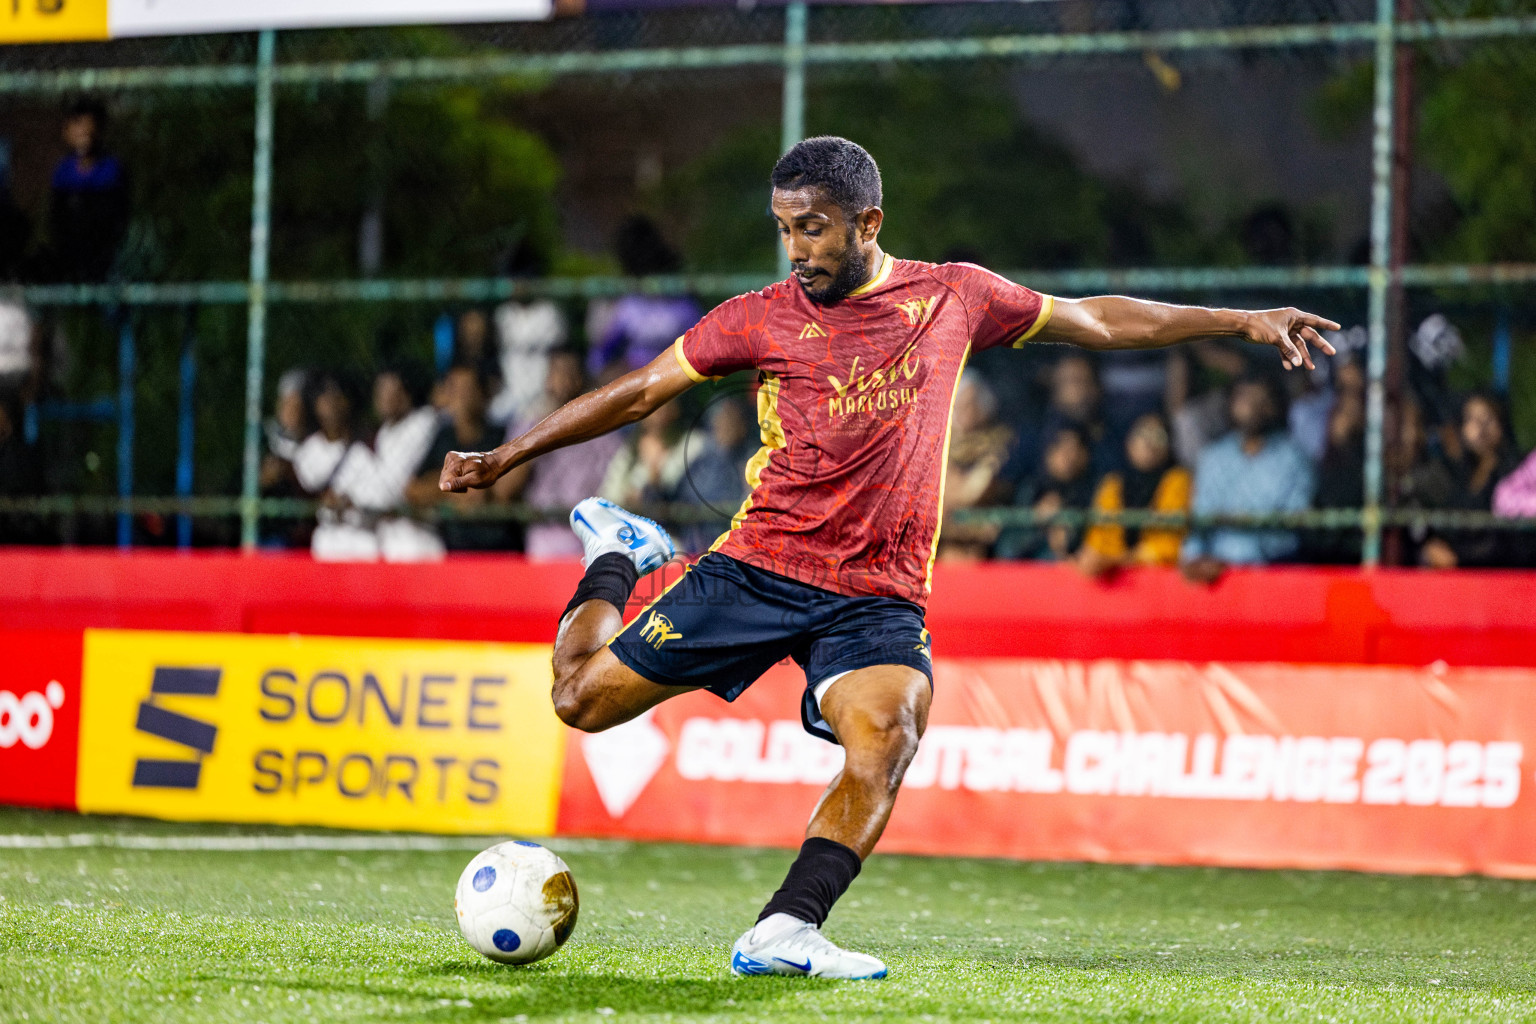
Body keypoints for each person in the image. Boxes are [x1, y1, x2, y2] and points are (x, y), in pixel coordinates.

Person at [437, 137, 1335, 979]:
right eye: (784, 229)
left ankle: (786, 928)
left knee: (889, 736)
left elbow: (1097, 323)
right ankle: (623, 554)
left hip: (876, 596)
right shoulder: (758, 318)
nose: (796, 249)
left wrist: (1241, 320)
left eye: (814, 228)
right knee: (577, 699)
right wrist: (508, 455)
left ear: (869, 223)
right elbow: (638, 391)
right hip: (761, 567)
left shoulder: (955, 296)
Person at [1181, 374, 1315, 582]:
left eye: (1262, 399)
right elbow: (1200, 521)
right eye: (1244, 397)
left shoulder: (1294, 459)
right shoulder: (1214, 457)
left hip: (1273, 570)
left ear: (1274, 406)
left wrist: (1238, 556)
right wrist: (1196, 558)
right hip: (1212, 573)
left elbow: (1291, 528)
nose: (1252, 406)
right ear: (1231, 403)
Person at [493, 349, 623, 560]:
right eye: (558, 373)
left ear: (581, 380)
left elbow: (615, 493)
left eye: (571, 374)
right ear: (547, 380)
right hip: (541, 540)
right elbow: (504, 491)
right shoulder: (527, 427)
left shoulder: (605, 434)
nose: (564, 381)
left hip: (590, 543)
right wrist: (539, 437)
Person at [319, 363, 444, 562]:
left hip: (414, 528)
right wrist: (344, 498)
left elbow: (394, 488)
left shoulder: (422, 423)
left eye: (387, 388)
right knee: (326, 538)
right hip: (379, 526)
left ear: (406, 393)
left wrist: (354, 498)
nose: (379, 395)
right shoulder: (382, 434)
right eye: (378, 389)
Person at [586, 215, 702, 380]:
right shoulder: (626, 305)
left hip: (677, 381)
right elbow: (598, 358)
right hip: (634, 381)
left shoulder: (683, 303)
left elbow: (702, 354)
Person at [410, 366, 511, 552]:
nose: (460, 397)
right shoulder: (443, 436)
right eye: (454, 389)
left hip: (498, 546)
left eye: (467, 389)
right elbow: (413, 490)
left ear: (483, 394)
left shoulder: (501, 436)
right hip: (452, 546)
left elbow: (501, 491)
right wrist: (454, 489)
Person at [1419, 390, 1523, 569]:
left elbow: (1507, 542)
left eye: (1487, 418)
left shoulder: (1515, 473)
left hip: (1501, 577)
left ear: (1501, 423)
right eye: (1471, 419)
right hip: (1460, 579)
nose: (1480, 428)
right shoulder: (1459, 474)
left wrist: (1458, 558)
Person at [1077, 412, 1191, 576]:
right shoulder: (1112, 484)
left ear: (1169, 447)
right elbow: (1097, 540)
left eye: (1159, 436)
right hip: (1111, 579)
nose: (1149, 443)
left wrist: (1118, 561)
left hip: (1158, 580)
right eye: (1142, 434)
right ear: (1129, 442)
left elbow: (1168, 547)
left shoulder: (1178, 480)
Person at [41, 99, 130, 283]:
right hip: (69, 252)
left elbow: (116, 215)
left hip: (104, 251)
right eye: (78, 125)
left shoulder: (111, 169)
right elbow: (56, 216)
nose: (84, 132)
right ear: (67, 131)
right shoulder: (63, 171)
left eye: (90, 125)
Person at [935, 371, 1015, 560]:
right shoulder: (937, 442)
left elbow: (972, 493)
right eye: (960, 401)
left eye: (972, 402)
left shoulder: (1000, 444)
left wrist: (951, 495)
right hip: (944, 544)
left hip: (981, 543)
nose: (966, 409)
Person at [994, 426, 1096, 562]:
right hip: (1028, 575)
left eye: (1075, 449)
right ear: (1048, 451)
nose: (1069, 457)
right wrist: (1038, 523)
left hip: (1072, 574)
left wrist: (1068, 538)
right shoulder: (1028, 491)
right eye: (1062, 448)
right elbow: (1006, 550)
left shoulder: (1092, 493)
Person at [673, 395, 758, 554]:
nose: (727, 426)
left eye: (733, 420)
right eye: (722, 419)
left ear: (743, 425)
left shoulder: (753, 459)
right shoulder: (700, 459)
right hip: (695, 545)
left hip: (738, 546)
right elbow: (678, 496)